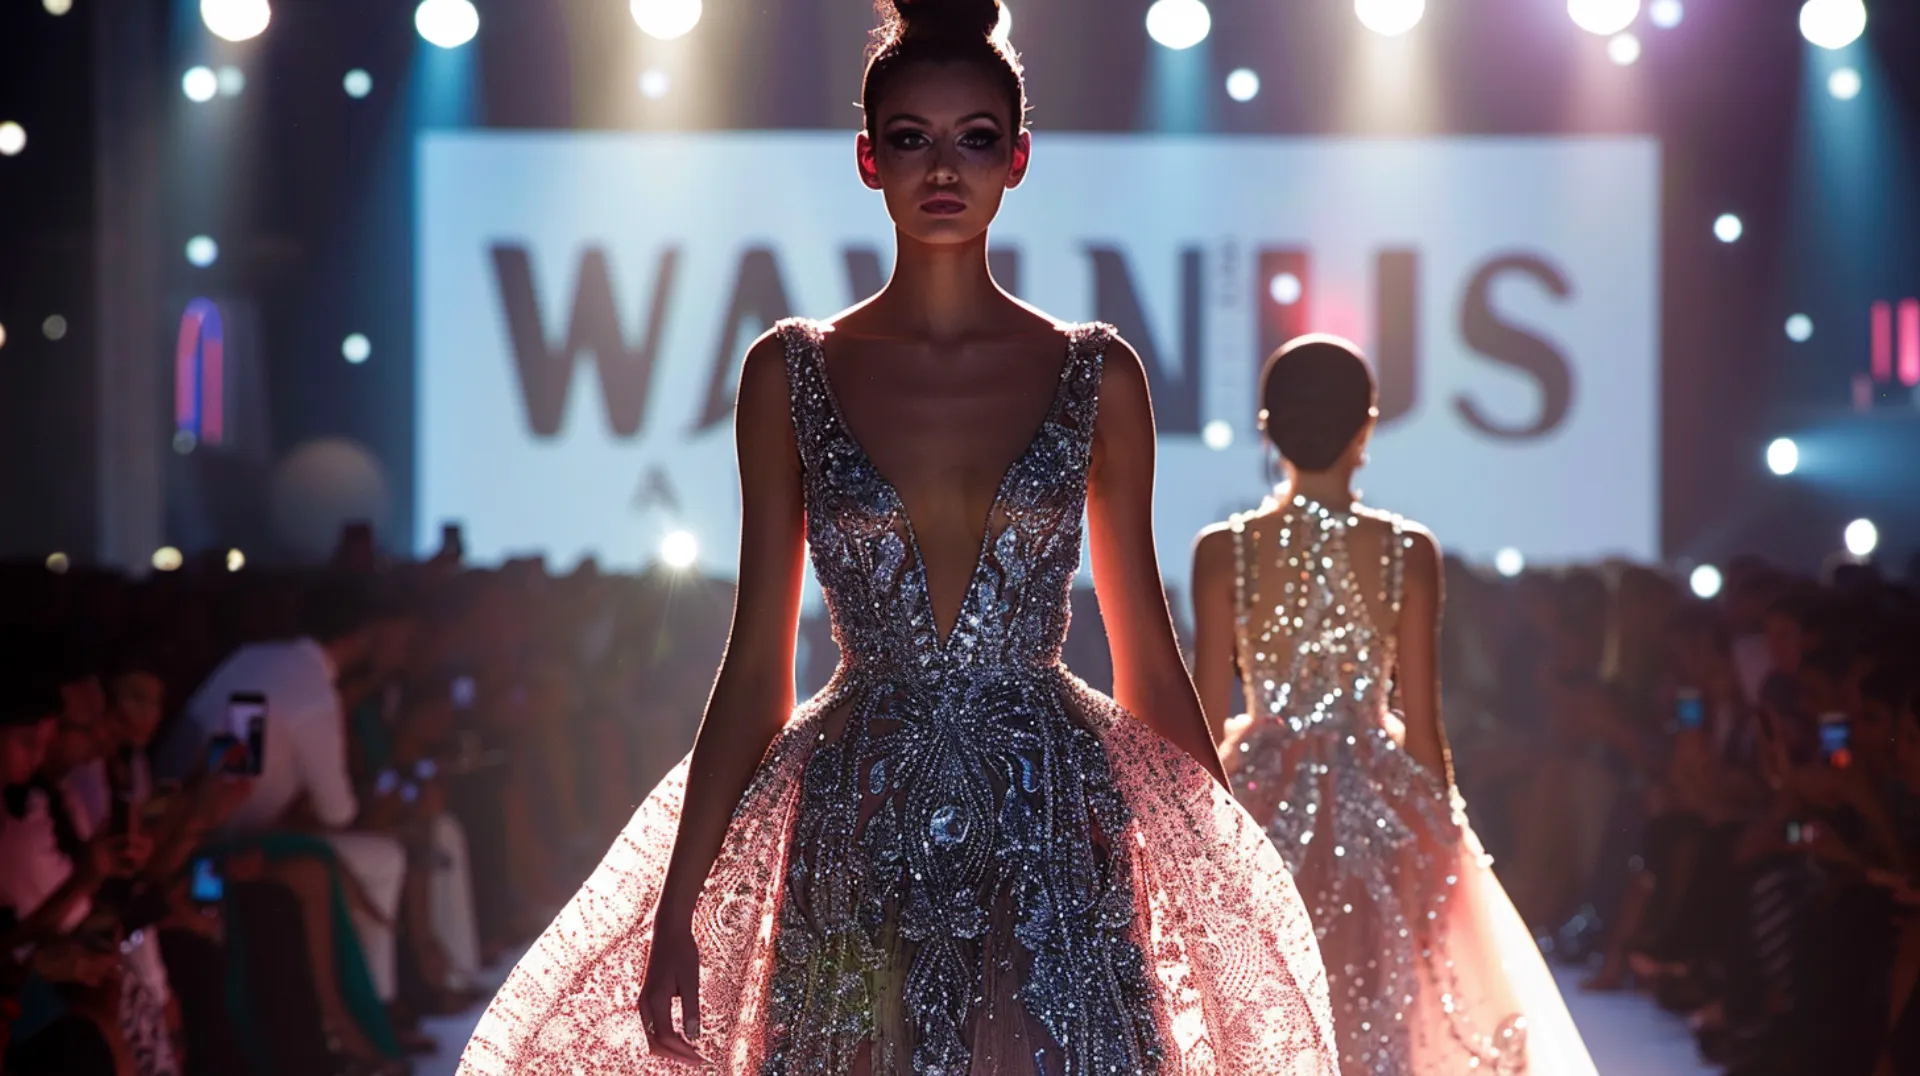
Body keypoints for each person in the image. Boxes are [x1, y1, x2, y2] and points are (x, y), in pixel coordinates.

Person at [458, 2, 1336, 1072]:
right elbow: (754, 665)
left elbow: (1148, 657)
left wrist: (1227, 883)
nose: (944, 167)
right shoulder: (789, 372)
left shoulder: (1096, 377)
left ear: (1017, 157)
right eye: (913, 137)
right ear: (869, 158)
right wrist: (680, 895)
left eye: (974, 137)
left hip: (1053, 827)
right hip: (853, 820)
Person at [1189, 335, 1597, 1074]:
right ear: (1366, 428)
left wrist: (1192, 840)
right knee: (1378, 1010)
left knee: (1265, 1009)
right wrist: (1445, 841)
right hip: (1382, 803)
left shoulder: (1224, 550)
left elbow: (1204, 712)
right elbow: (1426, 723)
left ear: (1267, 426)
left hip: (1255, 796)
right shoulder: (1408, 551)